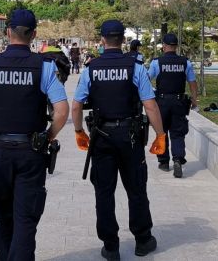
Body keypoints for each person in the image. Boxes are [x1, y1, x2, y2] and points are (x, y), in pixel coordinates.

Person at [0, 8, 69, 260]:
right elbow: (62, 110)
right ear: (34, 34)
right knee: (25, 219)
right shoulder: (43, 68)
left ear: (8, 32)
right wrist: (48, 136)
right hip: (31, 152)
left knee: (2, 214)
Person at [72, 19, 166, 260]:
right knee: (136, 188)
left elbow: (77, 104)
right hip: (130, 136)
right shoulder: (135, 66)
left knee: (104, 192)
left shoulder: (91, 68)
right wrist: (160, 134)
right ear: (123, 39)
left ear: (102, 40)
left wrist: (79, 131)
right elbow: (150, 105)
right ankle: (143, 240)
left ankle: (111, 246)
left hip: (101, 136)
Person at [147, 34, 198, 178]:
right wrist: (194, 99)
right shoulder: (185, 62)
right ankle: (177, 159)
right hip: (179, 102)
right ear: (176, 46)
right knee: (177, 132)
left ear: (164, 46)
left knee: (161, 131)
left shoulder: (157, 62)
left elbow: (146, 79)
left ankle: (163, 161)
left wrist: (150, 96)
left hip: (161, 102)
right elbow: (192, 82)